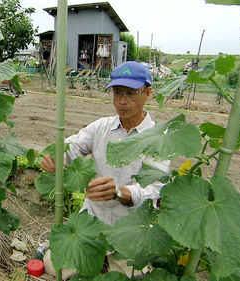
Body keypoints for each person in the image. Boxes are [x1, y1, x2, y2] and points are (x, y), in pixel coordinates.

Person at [40, 61, 170, 279]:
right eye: (117, 93)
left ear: (148, 93)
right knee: (54, 268)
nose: (122, 101)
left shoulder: (158, 139)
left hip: (130, 226)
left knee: (133, 278)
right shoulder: (100, 127)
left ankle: (106, 258)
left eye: (131, 93)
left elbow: (155, 188)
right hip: (93, 220)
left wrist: (121, 192)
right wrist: (55, 158)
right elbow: (71, 147)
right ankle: (83, 253)